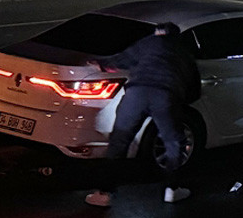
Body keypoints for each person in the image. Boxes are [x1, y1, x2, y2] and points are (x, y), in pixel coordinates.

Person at [85, 22, 198, 207]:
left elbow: (121, 60)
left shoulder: (148, 43)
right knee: (174, 142)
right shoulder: (184, 52)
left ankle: (104, 193)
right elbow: (194, 89)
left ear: (157, 32)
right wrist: (178, 103)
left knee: (119, 142)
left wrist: (102, 65)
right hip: (165, 95)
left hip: (136, 95)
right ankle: (172, 190)